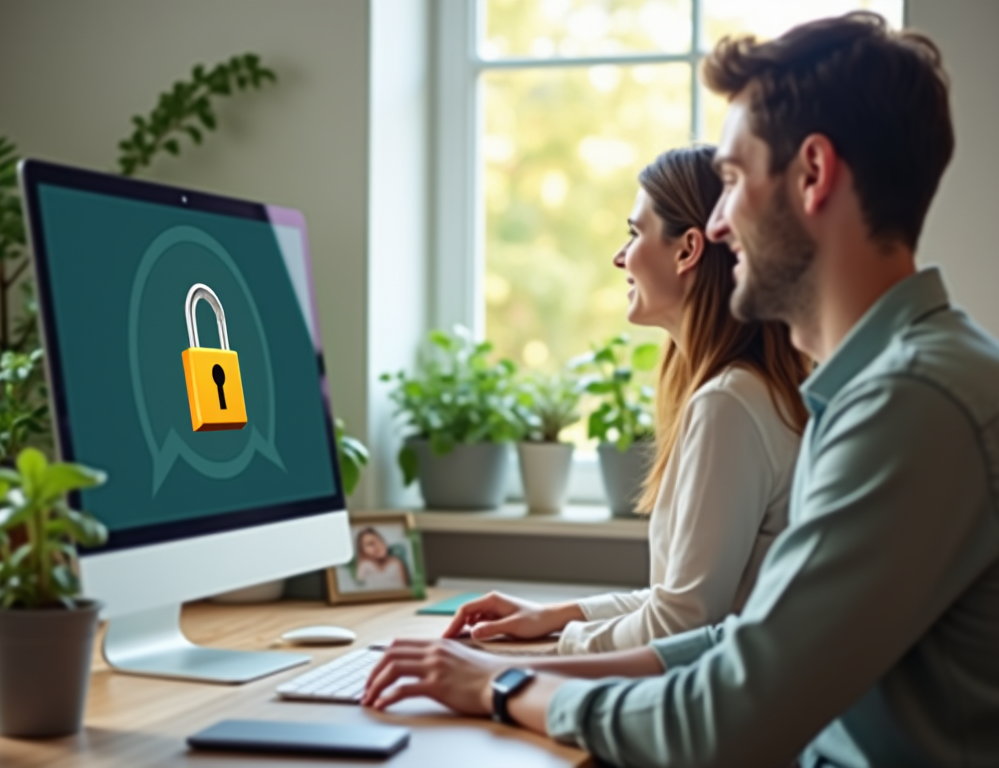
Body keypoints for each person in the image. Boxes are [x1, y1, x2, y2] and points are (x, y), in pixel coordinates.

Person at [362, 12, 999, 767]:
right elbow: (750, 638)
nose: (719, 226)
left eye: (730, 180)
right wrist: (526, 666)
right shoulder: (872, 388)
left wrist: (505, 692)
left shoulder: (913, 404)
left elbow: (725, 720)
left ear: (814, 175)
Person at [444, 145, 808, 655]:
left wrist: (553, 650)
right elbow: (680, 599)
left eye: (635, 233)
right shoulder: (747, 390)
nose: (620, 257)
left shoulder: (728, 404)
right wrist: (551, 616)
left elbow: (682, 623)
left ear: (687, 250)